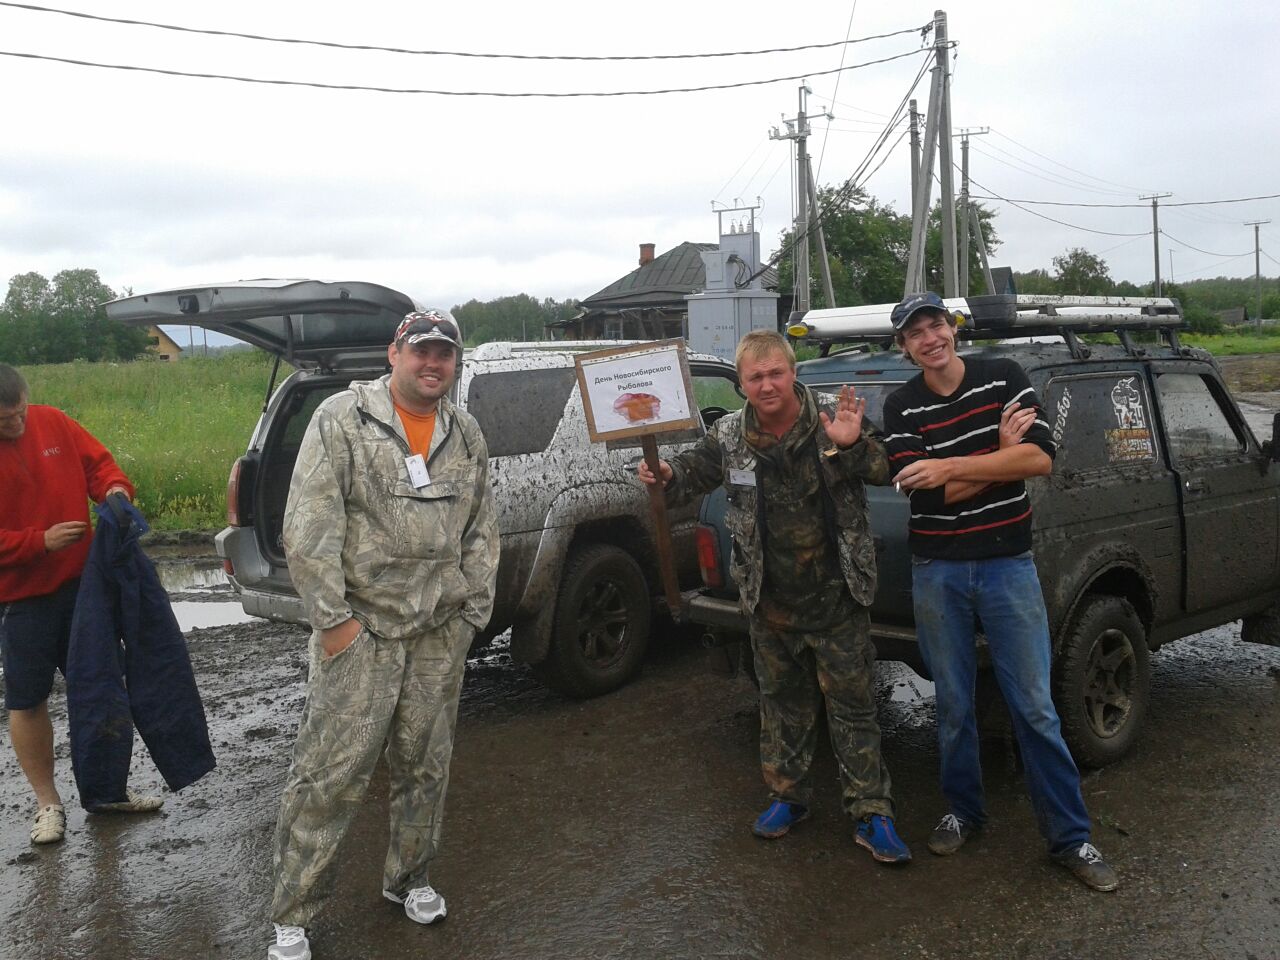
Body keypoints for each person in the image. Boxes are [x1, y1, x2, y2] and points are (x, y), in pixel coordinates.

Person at [267, 310, 499, 960]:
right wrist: (334, 622)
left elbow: (482, 528)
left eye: (444, 354)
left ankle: (409, 880)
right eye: (421, 350)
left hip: (438, 635)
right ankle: (293, 915)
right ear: (394, 353)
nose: (433, 363)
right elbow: (309, 527)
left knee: (425, 766)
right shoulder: (342, 420)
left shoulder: (464, 431)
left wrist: (471, 614)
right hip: (361, 634)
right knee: (330, 776)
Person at [639, 329, 910, 864]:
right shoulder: (730, 434)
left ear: (793, 372)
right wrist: (665, 474)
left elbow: (888, 469)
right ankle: (788, 798)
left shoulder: (833, 416)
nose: (767, 385)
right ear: (742, 383)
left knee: (853, 710)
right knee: (782, 706)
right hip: (769, 601)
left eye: (776, 373)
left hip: (837, 599)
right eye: (755, 377)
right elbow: (691, 474)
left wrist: (853, 446)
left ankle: (871, 811)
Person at [881, 292, 1119, 892]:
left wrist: (952, 465)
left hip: (1007, 566)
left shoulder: (1004, 376)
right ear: (905, 347)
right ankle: (964, 811)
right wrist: (997, 453)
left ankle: (1070, 837)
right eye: (916, 332)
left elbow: (1039, 459)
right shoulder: (901, 406)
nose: (930, 338)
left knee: (1034, 707)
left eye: (936, 324)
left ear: (953, 328)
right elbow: (926, 495)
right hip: (937, 571)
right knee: (954, 705)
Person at [0, 363, 162, 847]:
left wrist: (114, 489)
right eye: (4, 420)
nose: (17, 424)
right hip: (20, 600)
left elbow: (99, 466)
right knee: (28, 701)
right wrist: (38, 542)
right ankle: (48, 804)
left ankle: (108, 792)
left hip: (83, 590)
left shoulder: (53, 421)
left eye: (20, 412)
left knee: (100, 688)